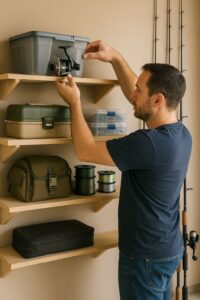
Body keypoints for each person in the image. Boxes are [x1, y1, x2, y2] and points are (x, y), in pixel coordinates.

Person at [55, 40, 192, 300]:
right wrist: (115, 57)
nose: (132, 95)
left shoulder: (147, 144)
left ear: (158, 99)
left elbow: (85, 150)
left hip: (144, 258)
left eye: (138, 91)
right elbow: (141, 99)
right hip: (168, 249)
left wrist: (74, 103)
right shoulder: (182, 134)